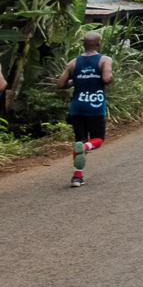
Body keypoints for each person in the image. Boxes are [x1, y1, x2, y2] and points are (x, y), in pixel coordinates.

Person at [56, 31, 114, 188]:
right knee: (98, 139)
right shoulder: (104, 60)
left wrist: (75, 81)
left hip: (77, 108)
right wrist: (110, 77)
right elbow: (107, 79)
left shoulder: (73, 63)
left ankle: (77, 177)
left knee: (79, 141)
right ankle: (87, 146)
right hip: (95, 107)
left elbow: (61, 84)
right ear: (98, 44)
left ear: (83, 44)